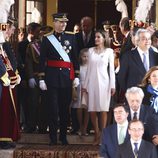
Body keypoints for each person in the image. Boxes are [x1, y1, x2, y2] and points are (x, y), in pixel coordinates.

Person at [38, 13, 79, 145]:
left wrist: (77, 76)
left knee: (64, 110)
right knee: (53, 109)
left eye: (65, 23)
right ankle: (53, 138)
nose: (63, 25)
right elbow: (42, 59)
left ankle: (63, 137)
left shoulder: (71, 37)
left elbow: (75, 58)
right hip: (51, 78)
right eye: (61, 22)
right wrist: (41, 78)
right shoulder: (47, 39)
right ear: (54, 23)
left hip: (67, 78)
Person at [83, 29, 115, 145]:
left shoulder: (109, 52)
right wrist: (85, 85)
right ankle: (96, 133)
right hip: (91, 83)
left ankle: (103, 135)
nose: (96, 39)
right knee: (92, 109)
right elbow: (88, 69)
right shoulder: (90, 51)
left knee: (103, 110)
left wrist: (112, 86)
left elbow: (111, 70)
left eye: (98, 37)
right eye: (95, 37)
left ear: (103, 38)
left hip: (105, 83)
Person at [0, 16, 21, 149]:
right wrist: (3, 76)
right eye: (11, 29)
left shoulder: (3, 44)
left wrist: (15, 75)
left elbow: (7, 62)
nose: (12, 32)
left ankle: (5, 138)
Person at [17, 22, 41, 132]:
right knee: (28, 103)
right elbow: (21, 64)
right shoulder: (22, 44)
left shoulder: (41, 44)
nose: (39, 34)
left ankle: (40, 126)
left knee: (39, 103)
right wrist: (25, 79)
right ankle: (29, 125)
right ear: (31, 31)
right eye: (37, 31)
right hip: (27, 79)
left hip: (39, 77)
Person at [71, 48, 89, 135]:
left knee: (87, 109)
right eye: (84, 56)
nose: (85, 58)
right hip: (79, 88)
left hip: (88, 89)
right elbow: (74, 79)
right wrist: (74, 89)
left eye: (87, 56)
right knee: (79, 108)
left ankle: (85, 128)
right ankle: (80, 127)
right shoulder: (78, 67)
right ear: (80, 57)